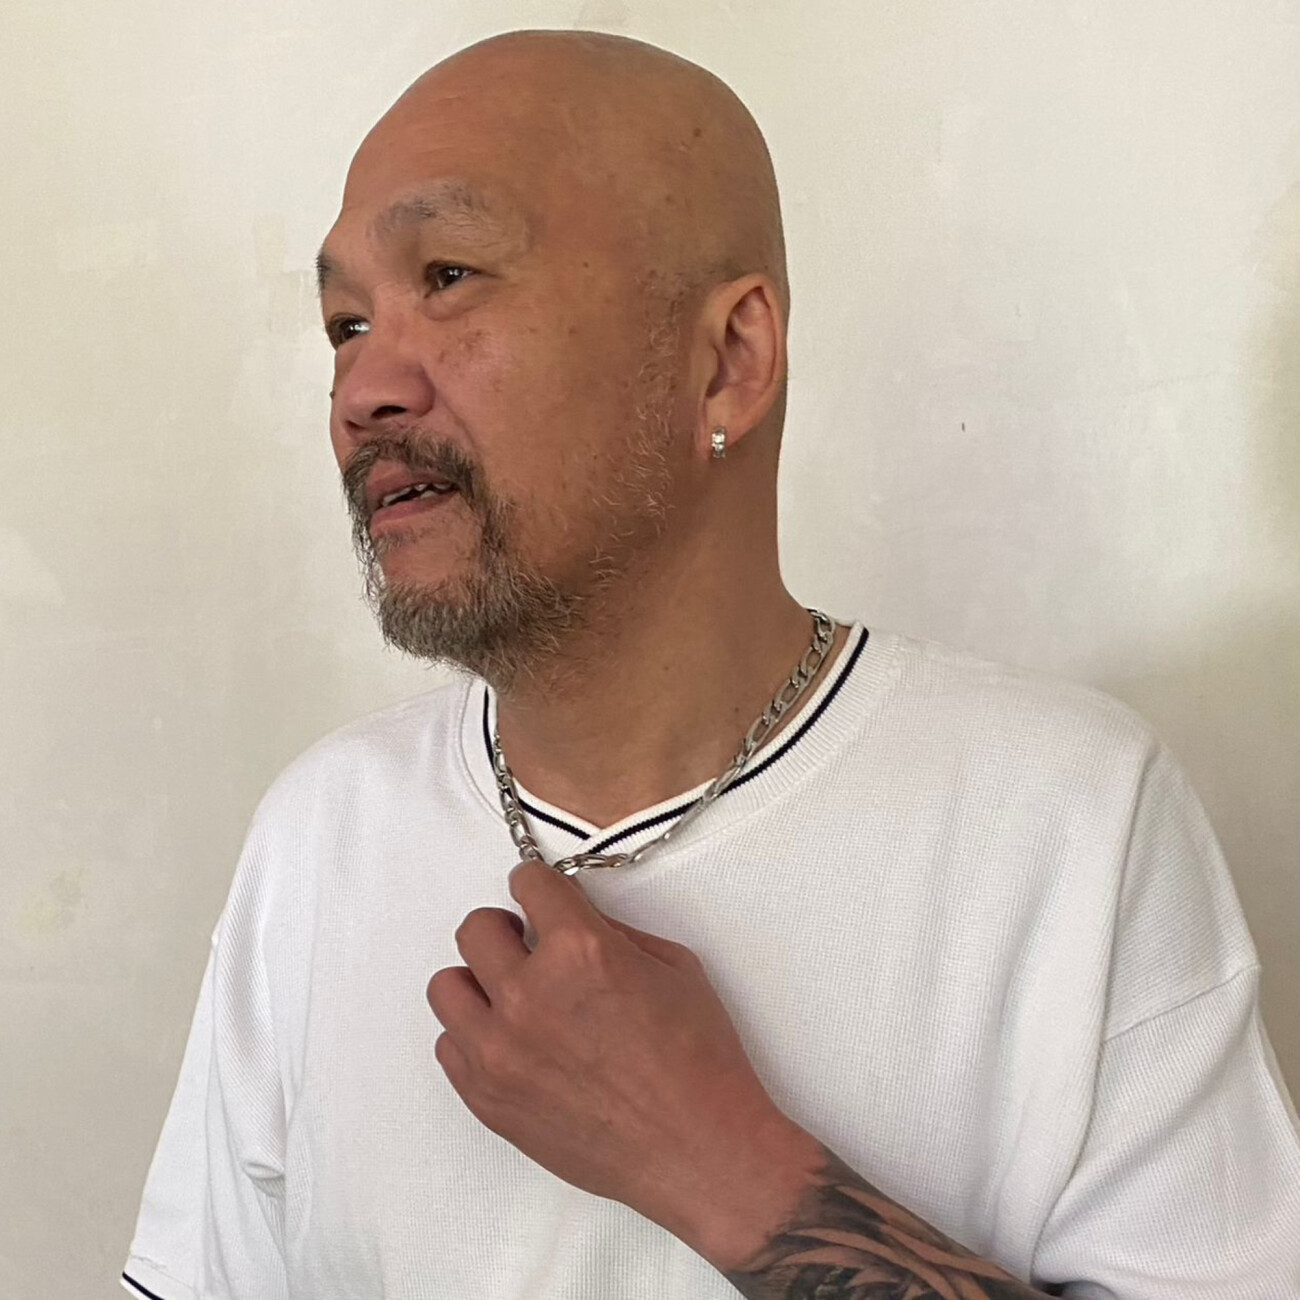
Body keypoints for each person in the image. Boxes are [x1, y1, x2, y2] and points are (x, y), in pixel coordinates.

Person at [121, 27, 1300, 1300]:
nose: (363, 388)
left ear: (728, 361)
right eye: (345, 323)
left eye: (449, 275)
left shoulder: (1066, 820)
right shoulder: (317, 837)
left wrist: (723, 1165)